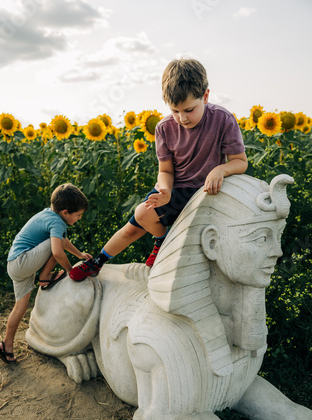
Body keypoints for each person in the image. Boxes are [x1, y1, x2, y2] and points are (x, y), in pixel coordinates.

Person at [69, 58, 248, 282]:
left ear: (205, 96)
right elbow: (166, 171)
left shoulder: (223, 119)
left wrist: (221, 169)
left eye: (189, 110)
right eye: (175, 111)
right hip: (176, 188)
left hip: (207, 191)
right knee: (139, 218)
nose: (182, 118)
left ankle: (167, 247)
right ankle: (99, 262)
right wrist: (165, 191)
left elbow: (240, 161)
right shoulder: (164, 128)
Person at [0, 183, 91, 364]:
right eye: (78, 215)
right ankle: (45, 277)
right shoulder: (56, 222)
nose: (79, 218)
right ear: (65, 212)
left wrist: (79, 254)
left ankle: (6, 345)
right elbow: (57, 250)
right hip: (23, 262)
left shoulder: (49, 215)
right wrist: (71, 271)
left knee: (19, 308)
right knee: (57, 245)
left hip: (16, 264)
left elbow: (62, 240)